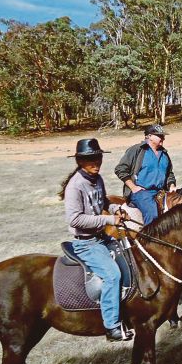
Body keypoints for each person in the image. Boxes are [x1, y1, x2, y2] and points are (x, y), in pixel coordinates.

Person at [61, 138, 133, 342]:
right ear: (80, 161)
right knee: (112, 275)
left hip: (102, 237)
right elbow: (75, 219)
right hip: (86, 243)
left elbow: (103, 201)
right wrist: (110, 219)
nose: (96, 162)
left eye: (98, 157)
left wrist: (115, 209)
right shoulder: (75, 186)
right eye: (91, 159)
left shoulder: (97, 178)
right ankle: (111, 326)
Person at [115, 124, 177, 226]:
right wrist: (133, 187)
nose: (163, 138)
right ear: (149, 136)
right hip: (142, 192)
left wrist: (172, 185)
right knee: (153, 215)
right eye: (159, 136)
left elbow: (169, 173)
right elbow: (120, 169)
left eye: (163, 136)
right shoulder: (137, 150)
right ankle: (149, 240)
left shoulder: (164, 153)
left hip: (161, 191)